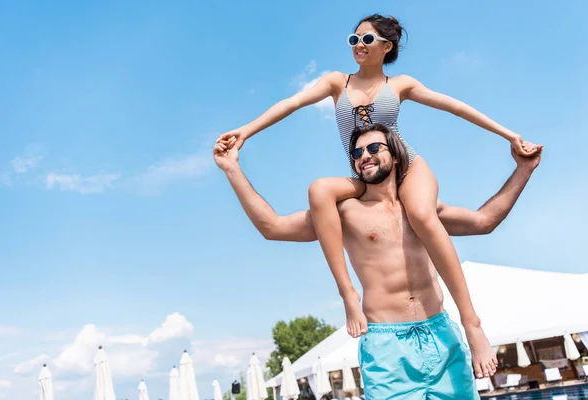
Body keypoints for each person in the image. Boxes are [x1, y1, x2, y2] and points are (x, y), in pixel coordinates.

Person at [217, 14, 539, 377]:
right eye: (353, 39)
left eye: (366, 40)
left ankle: (472, 323)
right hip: (365, 171)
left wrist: (509, 135)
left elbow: (456, 106)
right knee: (320, 189)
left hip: (407, 166)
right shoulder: (337, 82)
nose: (357, 46)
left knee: (419, 214)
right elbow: (290, 103)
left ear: (387, 46)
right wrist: (246, 132)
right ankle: (347, 293)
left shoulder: (399, 84)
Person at [213, 124, 542, 398]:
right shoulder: (346, 212)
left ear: (396, 156)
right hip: (387, 346)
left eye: (373, 149)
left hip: (441, 335)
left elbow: (485, 221)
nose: (364, 156)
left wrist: (523, 169)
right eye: (356, 153)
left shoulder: (421, 210)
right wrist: (232, 168)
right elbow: (273, 227)